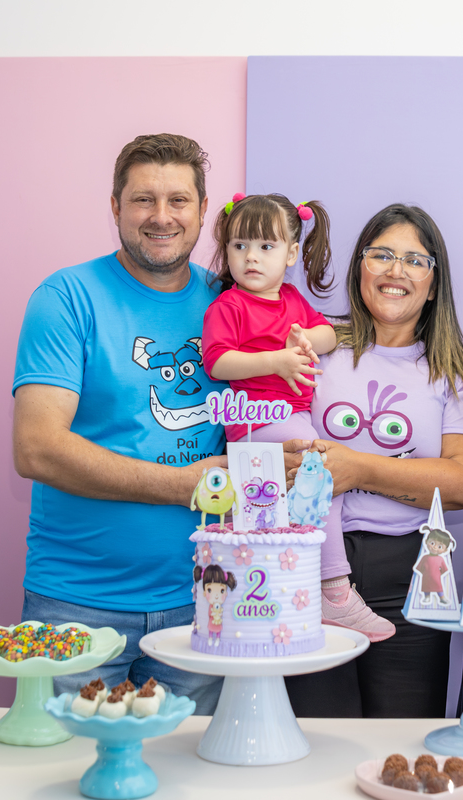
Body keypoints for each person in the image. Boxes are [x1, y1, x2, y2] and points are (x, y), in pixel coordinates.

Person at [12, 133, 229, 712]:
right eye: (143, 200)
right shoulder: (67, 298)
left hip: (204, 601)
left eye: (178, 200)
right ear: (115, 207)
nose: (162, 216)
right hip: (75, 606)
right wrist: (181, 486)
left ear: (202, 210)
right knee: (65, 758)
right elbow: (36, 448)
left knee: (188, 761)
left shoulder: (230, 304)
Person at [285, 204, 463, 717]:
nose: (396, 271)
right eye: (382, 255)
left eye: (415, 261)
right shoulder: (314, 348)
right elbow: (274, 441)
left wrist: (359, 469)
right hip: (305, 567)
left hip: (410, 575)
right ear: (360, 267)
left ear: (434, 285)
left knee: (401, 736)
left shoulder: (452, 369)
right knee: (316, 735)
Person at [201, 193, 392, 641]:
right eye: (239, 246)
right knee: (324, 477)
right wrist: (277, 360)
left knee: (312, 494)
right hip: (259, 421)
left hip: (294, 419)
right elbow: (217, 362)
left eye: (265, 247)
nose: (251, 257)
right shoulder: (228, 306)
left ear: (290, 255)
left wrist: (305, 339)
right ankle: (335, 591)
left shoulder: (290, 298)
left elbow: (328, 334)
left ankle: (303, 585)